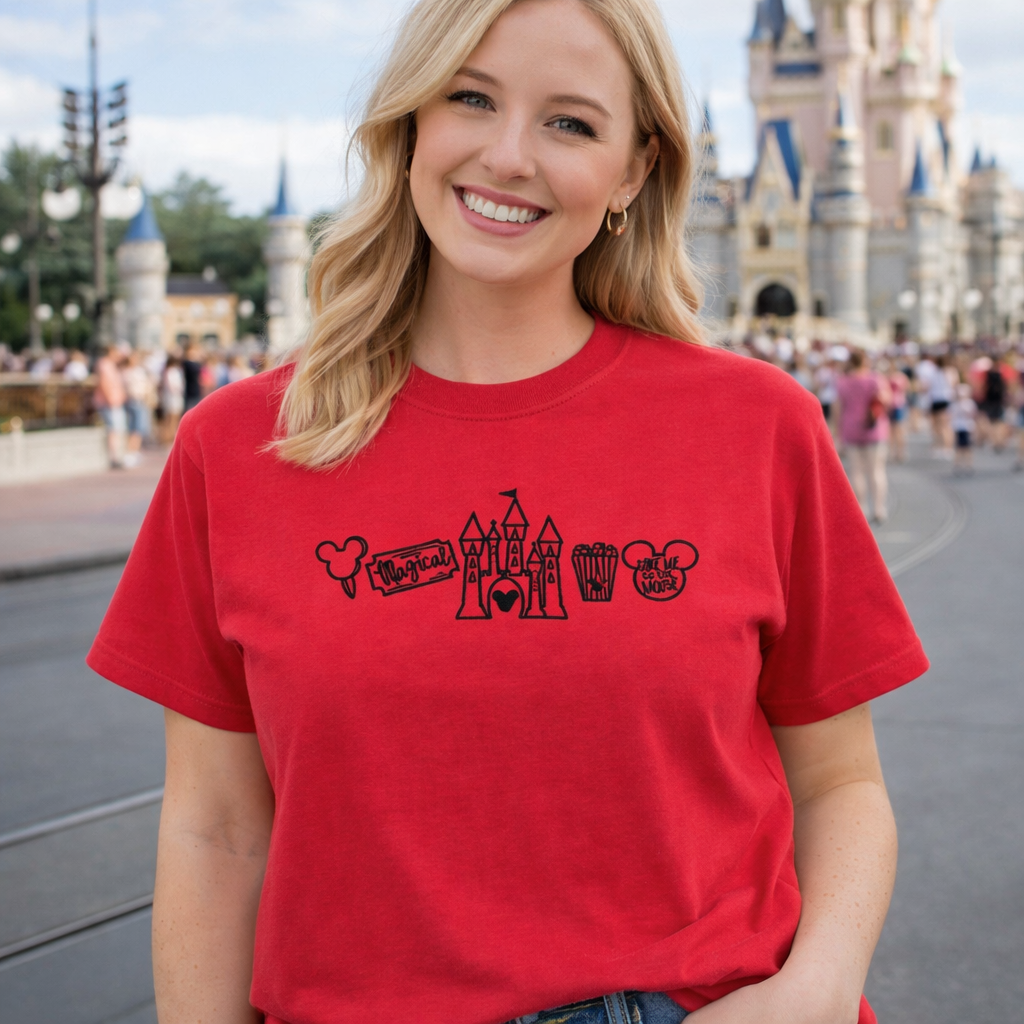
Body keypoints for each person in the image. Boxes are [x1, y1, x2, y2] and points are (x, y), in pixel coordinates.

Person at [87, 3, 928, 1024]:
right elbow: (215, 827)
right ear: (408, 128)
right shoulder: (238, 448)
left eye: (570, 123)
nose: (507, 155)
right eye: (470, 99)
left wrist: (818, 988)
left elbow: (841, 782)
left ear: (632, 170)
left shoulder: (758, 428)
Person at [835, 350, 892, 524]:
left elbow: (838, 409)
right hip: (873, 429)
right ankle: (879, 508)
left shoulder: (843, 382)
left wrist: (838, 432)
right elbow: (887, 400)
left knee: (856, 471)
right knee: (876, 470)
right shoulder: (875, 379)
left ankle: (862, 509)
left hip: (851, 429)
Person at [92, 344, 128, 469]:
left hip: (116, 401)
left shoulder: (112, 365)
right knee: (113, 429)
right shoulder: (104, 364)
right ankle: (114, 458)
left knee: (118, 429)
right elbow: (104, 382)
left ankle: (118, 456)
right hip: (109, 403)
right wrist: (111, 399)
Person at [121, 350, 154, 468]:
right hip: (134, 400)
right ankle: (131, 452)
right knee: (134, 427)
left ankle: (135, 451)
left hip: (140, 400)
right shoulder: (128, 372)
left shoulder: (138, 371)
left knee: (139, 427)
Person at [926, 353, 957, 456]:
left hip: (936, 400)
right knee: (945, 425)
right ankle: (947, 447)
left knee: (938, 426)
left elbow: (928, 386)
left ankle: (941, 446)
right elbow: (954, 385)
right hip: (945, 399)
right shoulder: (950, 371)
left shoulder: (934, 372)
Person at [950, 382, 977, 476]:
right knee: (958, 446)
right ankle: (957, 464)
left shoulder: (970, 403)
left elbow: (973, 415)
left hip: (967, 427)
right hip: (958, 427)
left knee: (968, 447)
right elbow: (951, 415)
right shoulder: (955, 404)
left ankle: (969, 464)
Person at [159, 355, 185, 443]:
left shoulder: (175, 371)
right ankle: (166, 436)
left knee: (175, 417)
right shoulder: (169, 371)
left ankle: (171, 435)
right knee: (170, 417)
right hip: (171, 396)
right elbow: (170, 385)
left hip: (175, 396)